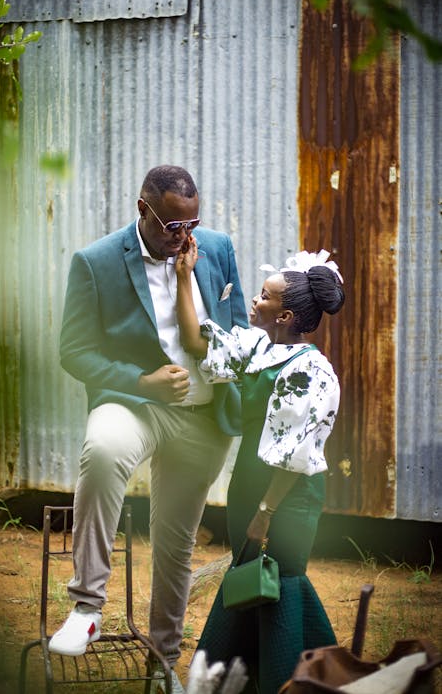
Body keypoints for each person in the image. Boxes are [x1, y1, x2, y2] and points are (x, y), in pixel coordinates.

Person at [48, 165, 248, 693]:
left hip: (205, 419)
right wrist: (142, 380)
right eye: (170, 226)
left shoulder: (217, 248)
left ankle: (162, 668)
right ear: (143, 209)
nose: (184, 237)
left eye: (192, 224)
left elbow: (242, 330)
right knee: (105, 447)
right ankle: (87, 606)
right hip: (137, 402)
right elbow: (74, 351)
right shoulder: (95, 263)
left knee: (174, 546)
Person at [175, 242, 345, 694]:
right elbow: (197, 343)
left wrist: (266, 511)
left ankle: (286, 681)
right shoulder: (255, 347)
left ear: (286, 316)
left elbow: (295, 453)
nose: (255, 300)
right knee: (248, 574)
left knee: (280, 579)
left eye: (265, 297)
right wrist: (182, 277)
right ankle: (236, 682)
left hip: (286, 495)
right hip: (248, 482)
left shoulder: (310, 371)